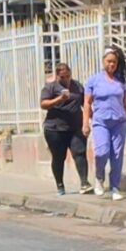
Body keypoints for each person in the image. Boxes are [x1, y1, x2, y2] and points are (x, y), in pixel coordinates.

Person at [83, 47, 126, 201]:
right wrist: (85, 123)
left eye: (114, 62)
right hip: (101, 121)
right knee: (102, 151)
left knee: (117, 155)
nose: (111, 65)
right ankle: (99, 177)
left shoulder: (121, 81)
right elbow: (87, 103)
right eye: (109, 61)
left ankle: (115, 187)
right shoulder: (94, 81)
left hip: (119, 121)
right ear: (103, 61)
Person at [41, 63, 92, 195]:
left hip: (75, 127)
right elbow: (43, 104)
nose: (67, 79)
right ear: (57, 76)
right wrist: (59, 99)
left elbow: (85, 104)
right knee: (59, 157)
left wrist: (91, 119)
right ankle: (60, 185)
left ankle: (84, 182)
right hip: (55, 129)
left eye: (68, 76)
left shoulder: (77, 86)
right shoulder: (50, 87)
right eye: (63, 77)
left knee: (79, 153)